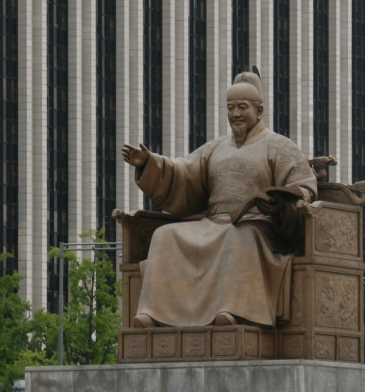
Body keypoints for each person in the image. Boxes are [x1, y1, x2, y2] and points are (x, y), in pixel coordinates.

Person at [120, 69, 317, 328]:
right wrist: (149, 163)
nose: (235, 114)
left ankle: (233, 310)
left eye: (242, 107)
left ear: (259, 110)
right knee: (165, 235)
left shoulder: (279, 146)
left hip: (259, 225)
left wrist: (282, 202)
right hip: (213, 223)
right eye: (231, 108)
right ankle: (154, 313)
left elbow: (304, 187)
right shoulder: (215, 148)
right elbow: (184, 171)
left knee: (238, 237)